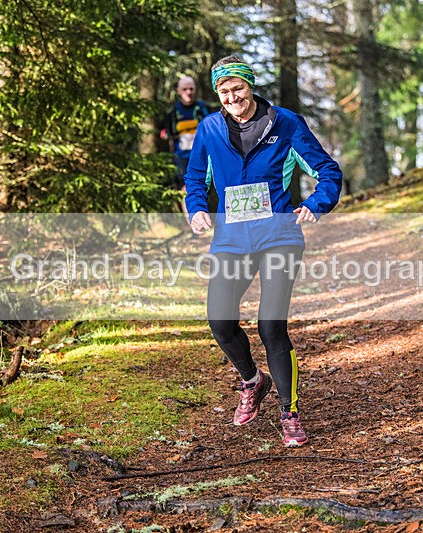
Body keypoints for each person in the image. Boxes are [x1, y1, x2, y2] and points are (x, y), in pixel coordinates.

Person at [184, 55, 343, 447]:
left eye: (237, 87)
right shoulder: (209, 128)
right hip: (231, 240)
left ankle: (290, 414)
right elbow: (194, 177)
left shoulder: (285, 123)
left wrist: (316, 203)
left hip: (278, 237)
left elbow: (328, 170)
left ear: (250, 86)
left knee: (271, 326)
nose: (231, 96)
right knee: (219, 321)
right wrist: (197, 209)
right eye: (223, 91)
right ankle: (254, 381)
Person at [161, 76, 210, 220]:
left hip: (202, 155)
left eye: (191, 89)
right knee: (186, 189)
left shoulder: (201, 108)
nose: (188, 92)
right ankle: (193, 222)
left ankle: (204, 219)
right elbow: (166, 131)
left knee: (202, 187)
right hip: (181, 156)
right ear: (178, 91)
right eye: (184, 89)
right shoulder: (173, 110)